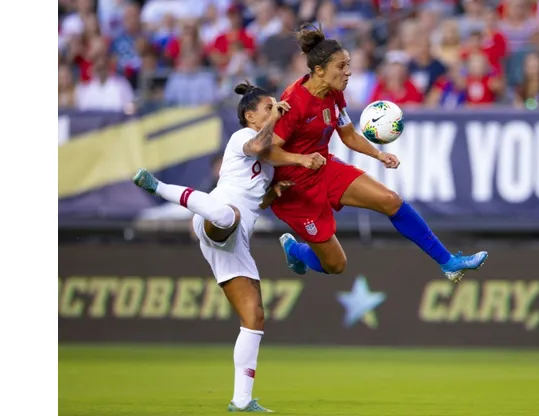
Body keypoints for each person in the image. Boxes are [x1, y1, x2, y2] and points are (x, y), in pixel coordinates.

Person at [131, 81, 324, 413]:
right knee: (228, 215)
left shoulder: (270, 159)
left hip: (236, 240)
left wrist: (272, 194)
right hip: (215, 217)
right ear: (250, 116)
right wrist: (276, 120)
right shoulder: (242, 137)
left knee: (254, 316)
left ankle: (242, 400)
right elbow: (258, 146)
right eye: (268, 107)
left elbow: (256, 201)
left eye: (275, 107)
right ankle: (158, 187)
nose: (275, 110)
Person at [262, 24, 488, 282]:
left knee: (390, 200)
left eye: (348, 65)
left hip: (323, 168)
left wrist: (378, 155)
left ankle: (448, 262)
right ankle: (295, 250)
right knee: (335, 265)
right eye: (341, 66)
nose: (348, 72)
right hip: (295, 187)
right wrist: (301, 159)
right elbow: (268, 151)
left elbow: (348, 135)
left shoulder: (333, 93)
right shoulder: (294, 101)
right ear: (319, 70)